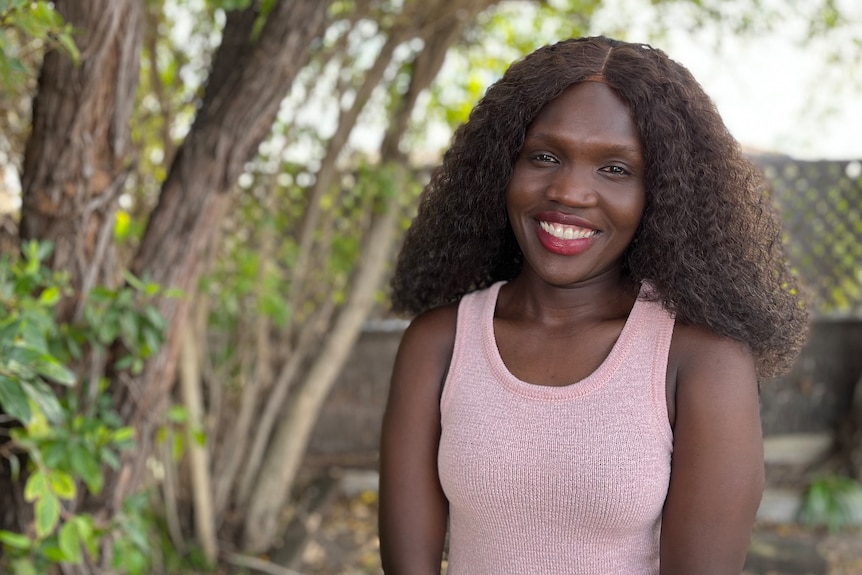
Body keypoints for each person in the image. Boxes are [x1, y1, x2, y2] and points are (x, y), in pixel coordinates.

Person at [378, 36, 808, 575]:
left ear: (663, 194)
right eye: (545, 156)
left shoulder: (703, 359)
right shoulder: (439, 343)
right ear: (498, 168)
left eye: (615, 169)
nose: (570, 192)